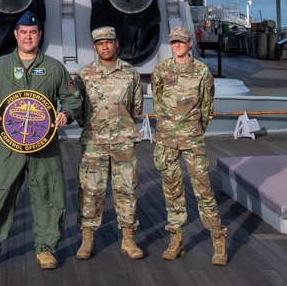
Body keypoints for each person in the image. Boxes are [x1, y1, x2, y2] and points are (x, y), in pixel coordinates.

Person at [0, 11, 83, 270]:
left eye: (33, 32)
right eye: (23, 32)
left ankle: (46, 249)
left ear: (40, 34)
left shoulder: (55, 67)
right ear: (16, 35)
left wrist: (66, 113)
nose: (28, 37)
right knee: (0, 193)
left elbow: (72, 97)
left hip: (45, 145)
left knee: (48, 193)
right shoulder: (0, 67)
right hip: (8, 146)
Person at [150, 25, 228, 265]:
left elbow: (207, 106)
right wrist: (169, 128)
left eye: (181, 41)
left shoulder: (202, 71)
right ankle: (176, 240)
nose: (177, 45)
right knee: (172, 191)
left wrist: (194, 129)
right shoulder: (162, 69)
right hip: (167, 140)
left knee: (203, 189)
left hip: (192, 139)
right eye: (174, 42)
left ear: (190, 44)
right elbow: (157, 101)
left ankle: (218, 241)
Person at [74, 26, 145, 260]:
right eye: (100, 43)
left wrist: (120, 127)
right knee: (90, 191)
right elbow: (79, 111)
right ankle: (87, 240)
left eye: (109, 42)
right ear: (95, 47)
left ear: (117, 44)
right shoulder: (84, 74)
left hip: (123, 141)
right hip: (94, 142)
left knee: (126, 190)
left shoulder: (131, 73)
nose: (105, 46)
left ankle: (128, 239)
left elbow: (136, 107)